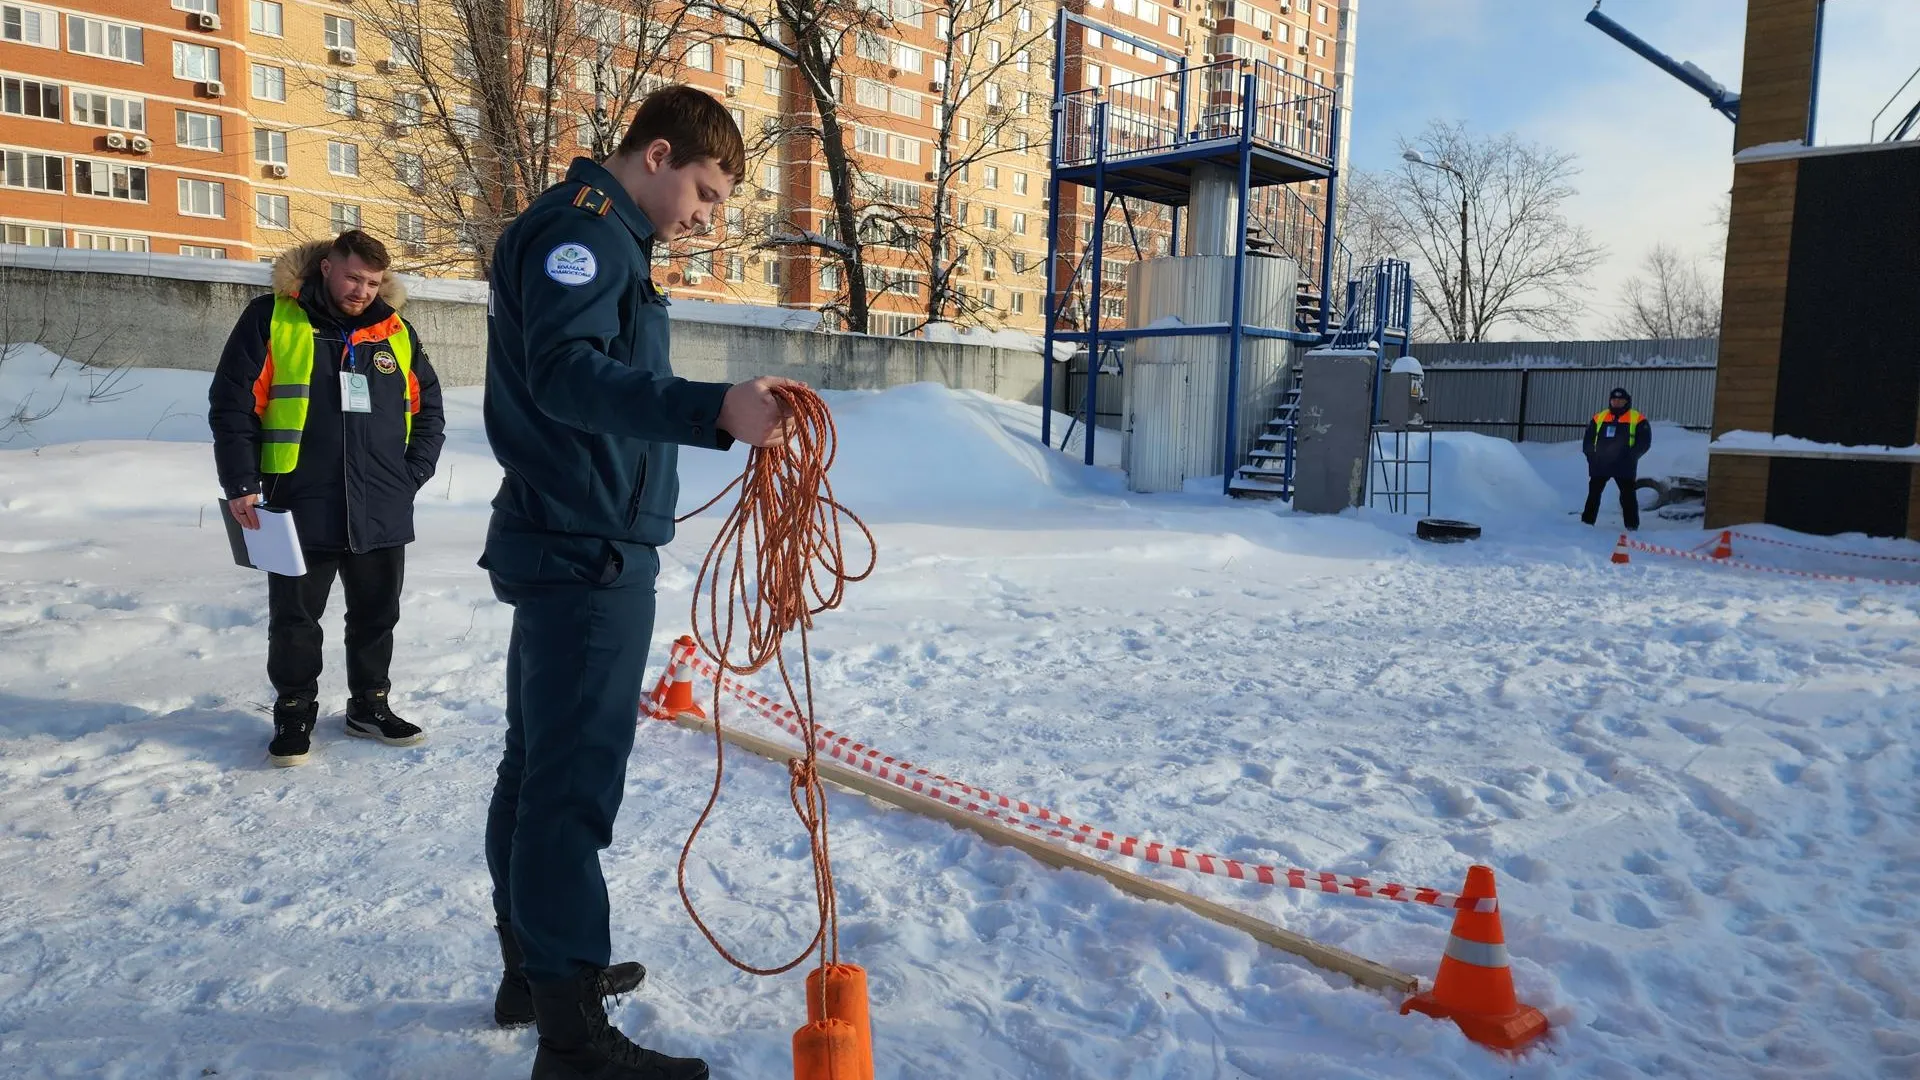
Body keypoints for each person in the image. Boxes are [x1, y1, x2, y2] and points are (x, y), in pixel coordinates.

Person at [479, 85, 797, 1080]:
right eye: (704, 190)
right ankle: (572, 1041)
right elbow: (567, 372)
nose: (706, 215)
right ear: (656, 155)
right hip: (586, 551)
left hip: (573, 537)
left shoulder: (601, 235)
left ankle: (538, 973)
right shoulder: (588, 237)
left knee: (537, 774)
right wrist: (716, 412)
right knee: (569, 791)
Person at [209, 230, 445, 767]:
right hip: (298, 499)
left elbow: (428, 407)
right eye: (353, 277)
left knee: (376, 616)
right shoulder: (272, 317)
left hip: (381, 506)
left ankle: (370, 706)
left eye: (373, 281)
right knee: (294, 619)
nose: (362, 290)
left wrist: (412, 474)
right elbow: (232, 405)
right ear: (326, 268)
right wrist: (241, 483)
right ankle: (294, 712)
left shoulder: (395, 331)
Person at [1581, 386, 1651, 530]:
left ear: (1627, 401)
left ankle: (1632, 527)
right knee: (1594, 494)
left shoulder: (1637, 418)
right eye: (1614, 400)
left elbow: (1644, 442)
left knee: (1628, 496)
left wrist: (1631, 456)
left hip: (1624, 464)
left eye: (1620, 400)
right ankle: (1587, 524)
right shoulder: (1599, 417)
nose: (1617, 402)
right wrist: (1591, 456)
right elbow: (1588, 440)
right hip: (1600, 463)